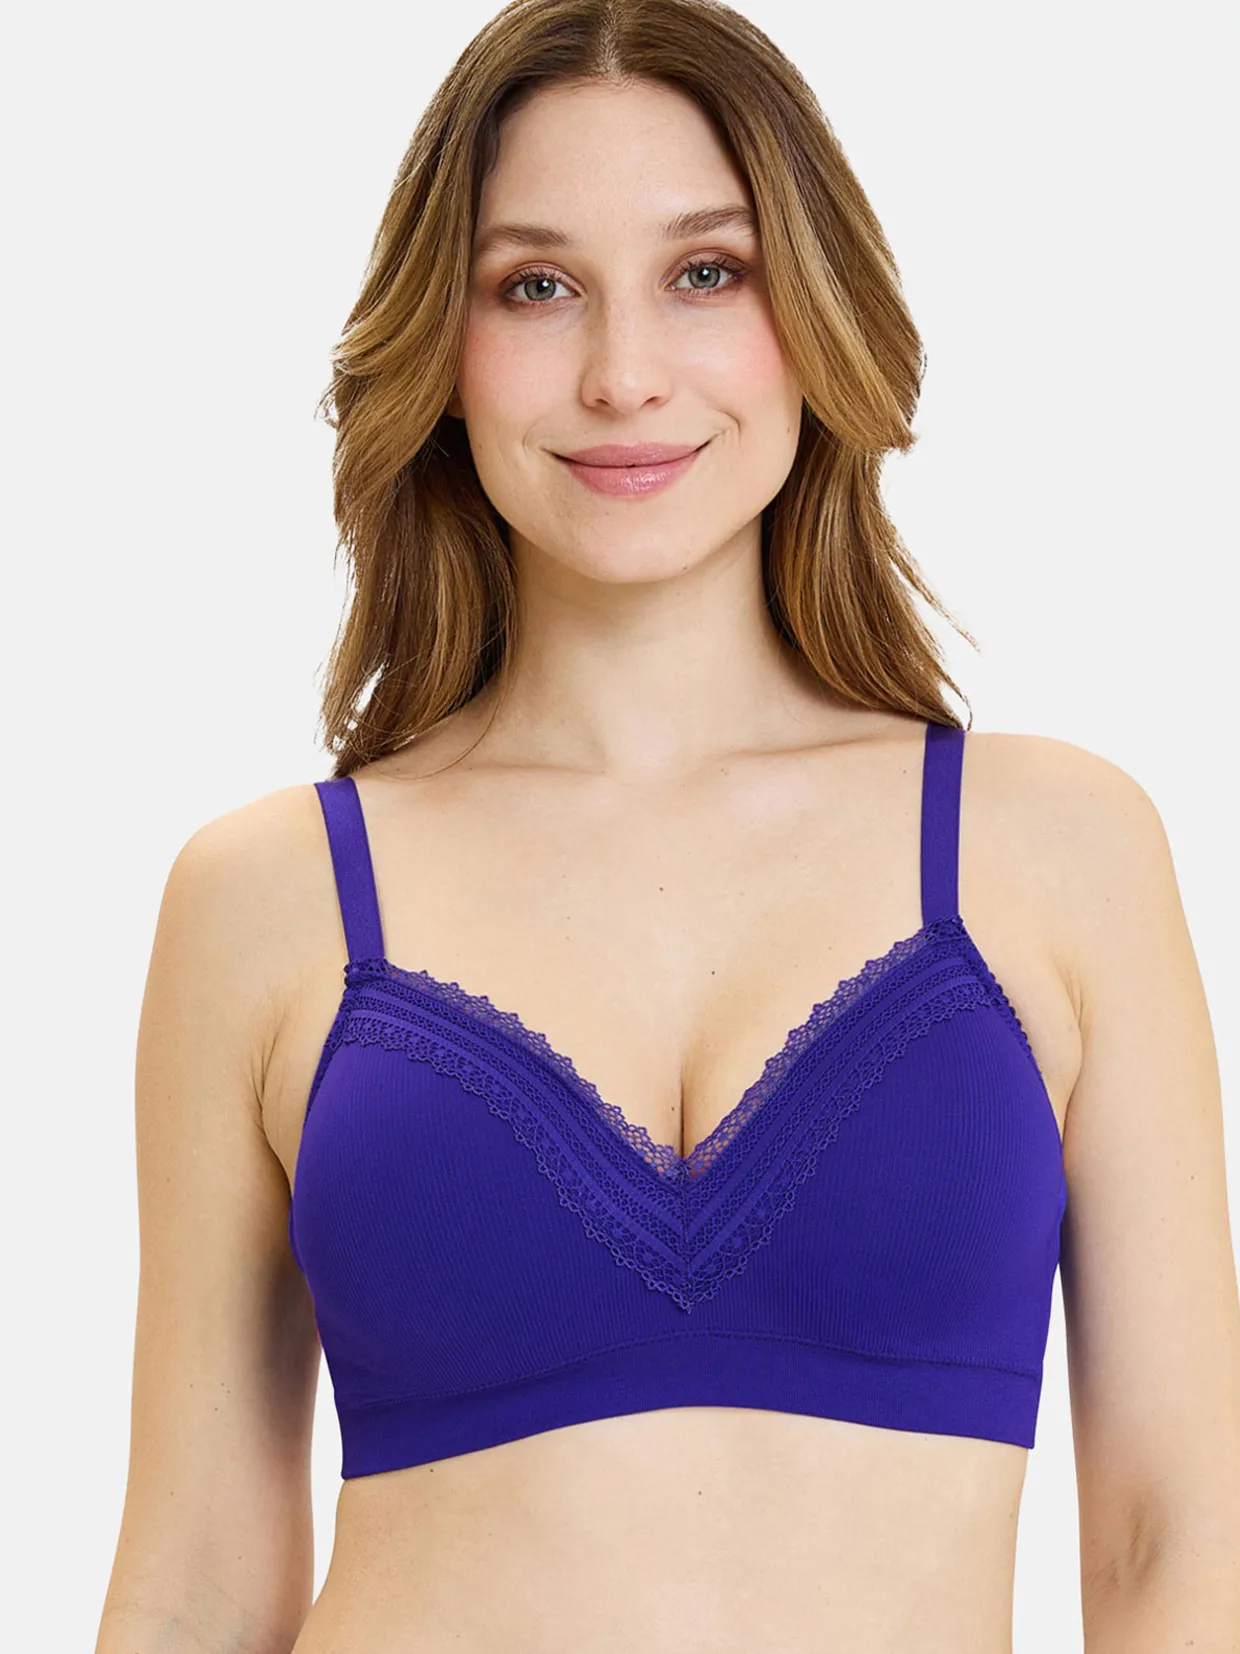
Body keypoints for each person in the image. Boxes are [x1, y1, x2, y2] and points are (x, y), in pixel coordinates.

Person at [95, 1, 1240, 1650]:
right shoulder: (268, 898)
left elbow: (1170, 1540)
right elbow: (197, 1576)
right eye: (535, 286)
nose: (624, 373)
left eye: (706, 272)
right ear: (443, 345)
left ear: (815, 315)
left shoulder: (1059, 852)